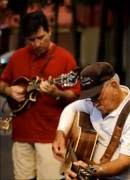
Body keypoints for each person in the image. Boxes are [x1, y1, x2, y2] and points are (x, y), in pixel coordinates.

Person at [0, 10, 80, 179]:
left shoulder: (65, 59)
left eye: (40, 37)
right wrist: (9, 91)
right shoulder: (18, 56)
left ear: (49, 30)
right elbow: (2, 83)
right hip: (21, 134)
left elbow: (75, 97)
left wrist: (56, 92)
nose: (36, 44)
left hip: (50, 135)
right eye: (31, 40)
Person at [52, 62, 130, 179]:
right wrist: (61, 134)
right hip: (96, 172)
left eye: (97, 96)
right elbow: (72, 108)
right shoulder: (94, 102)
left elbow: (124, 162)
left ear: (114, 86)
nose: (94, 103)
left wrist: (89, 171)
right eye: (91, 98)